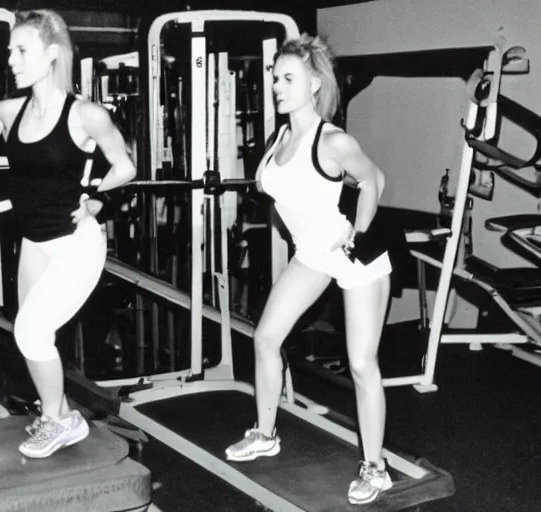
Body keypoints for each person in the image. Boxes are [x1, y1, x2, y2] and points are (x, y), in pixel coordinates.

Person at [0, 9, 136, 459]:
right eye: (10, 51)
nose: (11, 60)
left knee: (33, 333)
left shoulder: (85, 115)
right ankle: (57, 411)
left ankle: (60, 421)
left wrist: (97, 198)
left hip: (76, 244)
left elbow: (127, 165)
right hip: (34, 243)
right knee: (30, 334)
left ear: (51, 54)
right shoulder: (6, 112)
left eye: (21, 51)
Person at [224, 34, 393, 505]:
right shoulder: (281, 137)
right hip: (311, 255)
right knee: (265, 338)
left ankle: (375, 468)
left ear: (314, 83)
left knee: (362, 364)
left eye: (288, 78)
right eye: (275, 77)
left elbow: (373, 180)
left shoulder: (332, 140)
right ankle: (264, 433)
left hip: (356, 260)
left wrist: (355, 235)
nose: (276, 85)